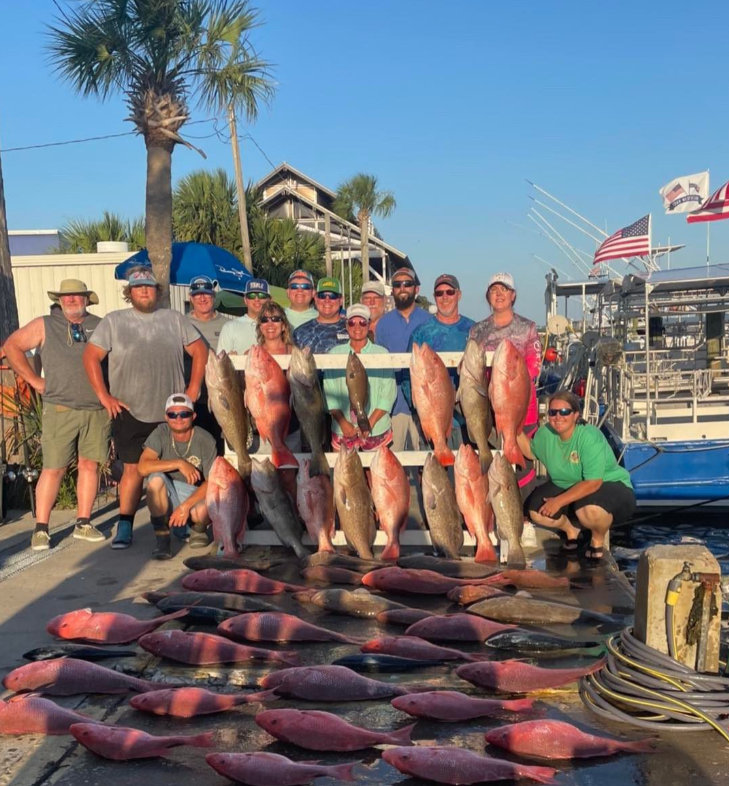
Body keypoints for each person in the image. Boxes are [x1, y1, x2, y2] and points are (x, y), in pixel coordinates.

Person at [83, 267, 207, 550]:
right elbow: (91, 357)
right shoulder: (114, 321)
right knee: (132, 471)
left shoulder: (174, 319)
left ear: (157, 291)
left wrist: (193, 387)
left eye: (149, 286)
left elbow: (200, 349)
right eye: (138, 287)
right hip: (130, 411)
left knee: (178, 471)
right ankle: (125, 523)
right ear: (130, 292)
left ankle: (180, 521)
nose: (144, 290)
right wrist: (104, 396)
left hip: (173, 415)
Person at [3, 279, 111, 551]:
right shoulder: (45, 324)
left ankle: (83, 523)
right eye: (67, 296)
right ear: (60, 299)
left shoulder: (101, 325)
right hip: (59, 408)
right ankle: (41, 528)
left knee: (90, 465)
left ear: (87, 299)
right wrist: (33, 380)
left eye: (77, 295)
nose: (72, 299)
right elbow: (11, 346)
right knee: (54, 469)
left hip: (96, 409)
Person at [520, 391, 636, 561]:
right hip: (567, 484)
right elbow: (531, 451)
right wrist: (513, 430)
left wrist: (558, 502)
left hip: (607, 483)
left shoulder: (589, 436)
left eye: (564, 412)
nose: (558, 417)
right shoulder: (546, 433)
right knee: (536, 511)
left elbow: (593, 483)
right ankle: (571, 530)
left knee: (589, 510)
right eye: (553, 412)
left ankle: (596, 539)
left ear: (576, 415)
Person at [469, 272, 543, 494]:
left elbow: (534, 368)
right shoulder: (477, 331)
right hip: (488, 410)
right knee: (492, 466)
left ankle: (525, 516)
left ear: (513, 295)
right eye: (494, 290)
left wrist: (507, 384)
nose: (498, 294)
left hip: (522, 410)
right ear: (487, 297)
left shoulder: (528, 327)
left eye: (504, 289)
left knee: (523, 468)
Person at [138, 394, 217, 560]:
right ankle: (162, 539)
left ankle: (197, 528)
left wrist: (185, 507)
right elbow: (142, 467)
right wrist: (179, 463)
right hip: (169, 494)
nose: (178, 418)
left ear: (193, 416)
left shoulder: (206, 439)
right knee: (155, 479)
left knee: (204, 507)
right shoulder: (160, 433)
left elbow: (212, 482)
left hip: (194, 495)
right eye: (173, 414)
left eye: (184, 414)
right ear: (166, 417)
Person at [407, 274, 474, 448]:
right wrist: (419, 409)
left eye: (449, 292)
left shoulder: (474, 330)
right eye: (439, 293)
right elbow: (409, 379)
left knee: (468, 472)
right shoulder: (421, 333)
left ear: (458, 295)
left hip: (466, 421)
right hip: (431, 419)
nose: (444, 297)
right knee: (433, 473)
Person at [323, 304, 396, 451]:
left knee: (374, 473)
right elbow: (329, 394)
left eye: (362, 322)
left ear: (369, 324)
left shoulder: (382, 353)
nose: (357, 326)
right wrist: (343, 422)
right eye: (352, 322)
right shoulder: (334, 354)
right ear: (346, 325)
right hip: (342, 428)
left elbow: (388, 393)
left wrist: (370, 422)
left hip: (377, 427)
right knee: (344, 472)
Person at [248, 301, 301, 497]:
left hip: (290, 425)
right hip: (261, 425)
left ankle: (295, 519)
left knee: (288, 476)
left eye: (276, 319)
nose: (270, 324)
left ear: (284, 325)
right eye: (265, 319)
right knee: (266, 478)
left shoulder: (294, 353)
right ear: (259, 325)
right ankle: (272, 522)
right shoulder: (251, 355)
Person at [374, 267, 429, 451]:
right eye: (397, 285)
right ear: (393, 290)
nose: (402, 288)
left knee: (428, 464)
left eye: (407, 284)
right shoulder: (383, 323)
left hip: (425, 407)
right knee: (392, 466)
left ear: (416, 289)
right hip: (393, 406)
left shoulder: (429, 321)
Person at [185, 275, 226, 450]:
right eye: (197, 294)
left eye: (207, 294)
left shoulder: (228, 325)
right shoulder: (181, 323)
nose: (202, 298)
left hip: (222, 397)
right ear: (191, 298)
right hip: (192, 397)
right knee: (195, 447)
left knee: (222, 446)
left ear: (213, 296)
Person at [292, 277, 348, 353]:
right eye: (322, 296)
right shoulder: (300, 333)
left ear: (341, 300)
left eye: (332, 296)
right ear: (315, 299)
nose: (327, 300)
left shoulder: (353, 329)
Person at [218, 278, 271, 355]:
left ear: (270, 300)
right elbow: (220, 364)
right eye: (251, 295)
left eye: (261, 295)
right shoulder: (230, 327)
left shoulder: (276, 326)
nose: (257, 299)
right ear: (245, 300)